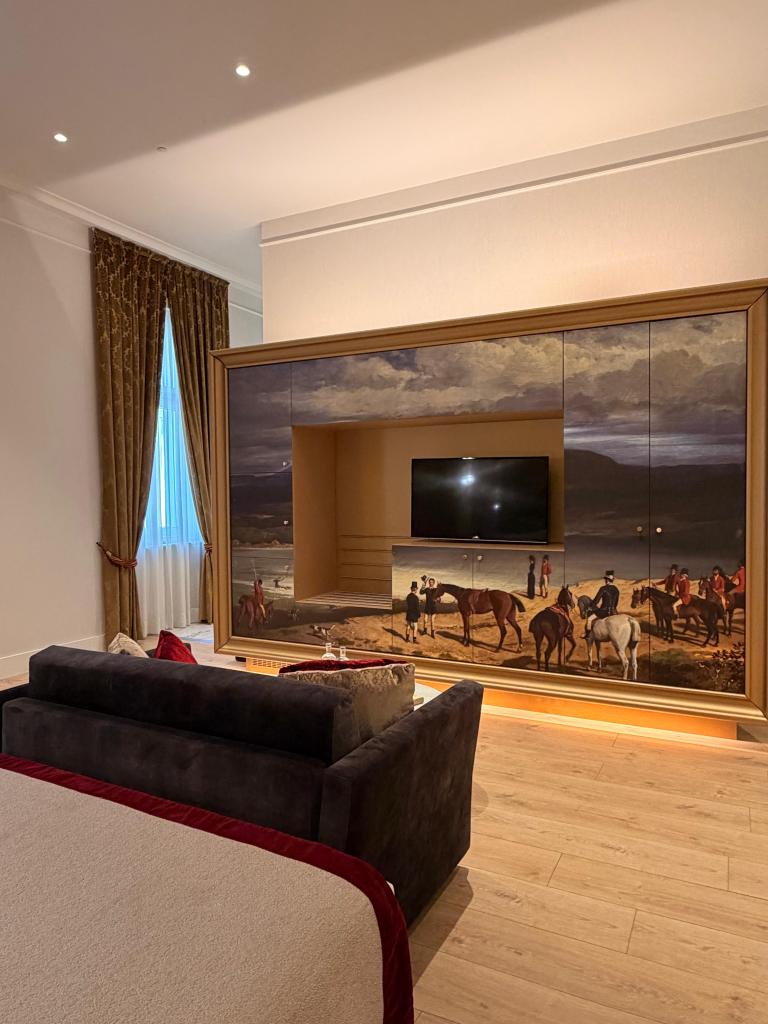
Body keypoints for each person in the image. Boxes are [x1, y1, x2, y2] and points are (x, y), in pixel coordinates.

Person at [585, 571, 620, 637]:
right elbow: (616, 602)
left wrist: (590, 606)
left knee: (589, 619)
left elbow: (596, 600)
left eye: (606, 579)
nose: (605, 581)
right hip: (614, 612)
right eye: (605, 579)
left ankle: (588, 635)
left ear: (607, 580)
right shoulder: (616, 589)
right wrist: (613, 609)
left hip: (604, 611)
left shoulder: (603, 588)